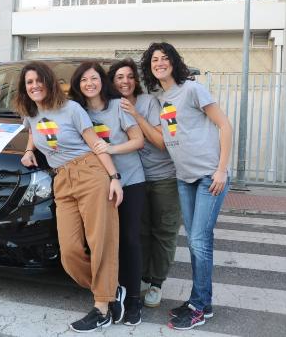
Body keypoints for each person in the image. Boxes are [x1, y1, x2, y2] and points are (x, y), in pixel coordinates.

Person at [16, 61, 123, 333]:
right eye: (29, 82)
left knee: (101, 241)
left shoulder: (71, 109)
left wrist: (114, 178)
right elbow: (33, 131)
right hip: (61, 179)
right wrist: (29, 151)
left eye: (39, 80)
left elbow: (95, 144)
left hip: (90, 173)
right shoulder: (31, 112)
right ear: (24, 88)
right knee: (70, 253)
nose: (35, 86)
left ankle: (102, 307)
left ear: (49, 82)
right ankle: (110, 289)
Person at [141, 42, 232, 330]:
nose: (160, 63)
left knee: (199, 241)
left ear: (174, 62)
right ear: (150, 67)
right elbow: (163, 137)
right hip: (184, 177)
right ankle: (200, 301)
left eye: (165, 58)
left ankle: (199, 306)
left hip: (208, 176)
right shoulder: (161, 97)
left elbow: (225, 125)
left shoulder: (193, 89)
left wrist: (221, 170)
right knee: (196, 243)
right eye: (155, 59)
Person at [69, 61, 146, 326]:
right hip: (98, 184)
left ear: (103, 80)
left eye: (94, 78)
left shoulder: (118, 106)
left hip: (131, 180)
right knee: (104, 240)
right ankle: (111, 293)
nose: (89, 84)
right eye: (83, 80)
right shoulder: (76, 111)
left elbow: (138, 140)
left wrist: (108, 150)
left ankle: (133, 297)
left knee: (129, 238)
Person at [108, 58, 183, 309]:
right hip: (134, 179)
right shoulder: (109, 105)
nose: (125, 81)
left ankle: (156, 282)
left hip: (162, 176)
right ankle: (141, 275)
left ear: (136, 80)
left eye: (130, 76)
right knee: (139, 231)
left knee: (163, 231)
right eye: (120, 77)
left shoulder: (149, 102)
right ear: (112, 81)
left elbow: (160, 142)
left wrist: (135, 114)